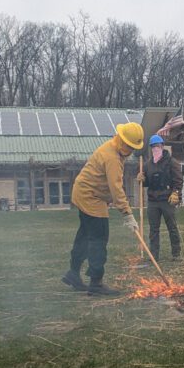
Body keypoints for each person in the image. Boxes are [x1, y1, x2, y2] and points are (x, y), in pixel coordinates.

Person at [62, 121, 143, 296]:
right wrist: (127, 214)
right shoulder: (112, 157)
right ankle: (96, 283)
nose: (131, 151)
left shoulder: (115, 150)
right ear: (122, 141)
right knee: (99, 238)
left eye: (133, 148)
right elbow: (116, 189)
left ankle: (73, 274)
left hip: (86, 193)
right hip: (90, 196)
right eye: (130, 146)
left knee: (85, 234)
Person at [137, 135, 183, 262]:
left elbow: (178, 180)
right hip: (153, 201)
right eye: (153, 147)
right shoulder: (147, 165)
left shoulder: (172, 162)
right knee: (153, 230)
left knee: (172, 227)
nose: (155, 148)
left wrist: (176, 193)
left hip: (167, 200)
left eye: (157, 146)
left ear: (162, 146)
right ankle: (154, 255)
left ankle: (176, 254)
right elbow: (146, 184)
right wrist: (142, 179)